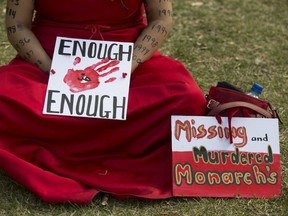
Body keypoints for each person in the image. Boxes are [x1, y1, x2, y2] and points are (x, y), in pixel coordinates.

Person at [0, 0, 207, 204]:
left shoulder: (128, 65)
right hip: (49, 59)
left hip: (127, 59)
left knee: (186, 98)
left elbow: (161, 20)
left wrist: (126, 68)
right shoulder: (50, 67)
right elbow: (17, 25)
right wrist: (54, 73)